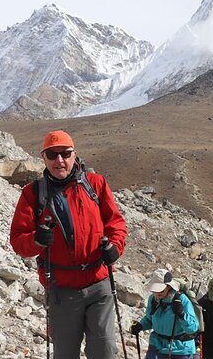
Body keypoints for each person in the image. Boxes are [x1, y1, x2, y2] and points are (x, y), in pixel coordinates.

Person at [10, 130, 127, 359]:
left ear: (75, 155)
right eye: (52, 155)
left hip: (98, 283)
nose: (59, 160)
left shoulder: (95, 184)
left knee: (104, 351)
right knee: (65, 354)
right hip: (62, 289)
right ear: (43, 158)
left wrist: (115, 247)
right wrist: (36, 240)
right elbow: (17, 239)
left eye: (65, 153)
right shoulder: (32, 194)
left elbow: (116, 223)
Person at [131, 269, 200, 359]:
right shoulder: (153, 299)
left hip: (180, 349)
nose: (158, 293)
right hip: (156, 345)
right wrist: (140, 326)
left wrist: (182, 315)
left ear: (169, 287)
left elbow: (193, 328)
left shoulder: (182, 300)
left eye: (161, 290)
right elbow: (149, 319)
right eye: (155, 290)